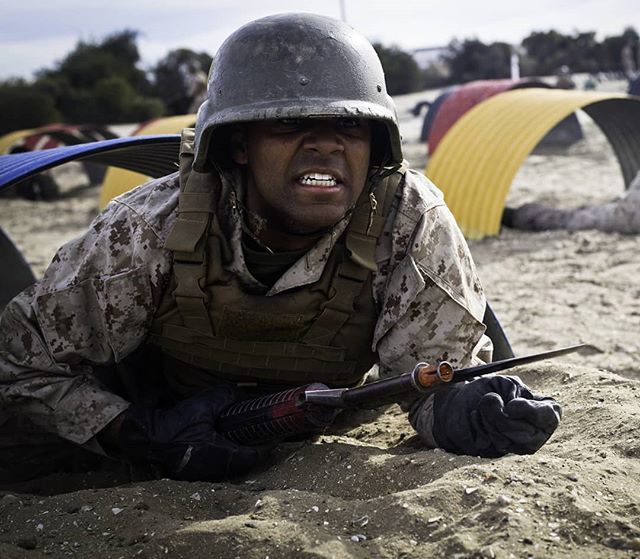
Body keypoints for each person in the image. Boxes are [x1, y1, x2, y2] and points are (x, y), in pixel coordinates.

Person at [0, 13, 562, 483]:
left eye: (350, 124)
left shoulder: (408, 219)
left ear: (376, 143)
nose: (324, 144)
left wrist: (466, 413)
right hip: (154, 428)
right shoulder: (149, 227)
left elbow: (432, 377)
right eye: (290, 124)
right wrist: (134, 432)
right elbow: (18, 364)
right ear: (239, 145)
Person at [502, 170, 640, 234]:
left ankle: (517, 217)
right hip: (628, 212)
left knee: (572, 219)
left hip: (627, 213)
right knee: (574, 218)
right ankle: (518, 217)